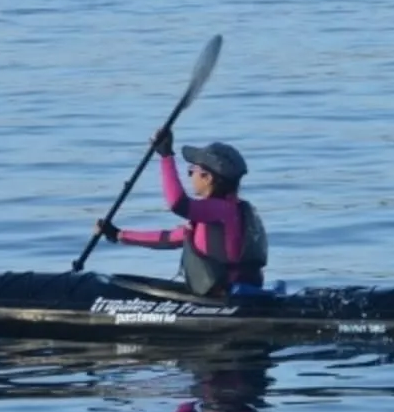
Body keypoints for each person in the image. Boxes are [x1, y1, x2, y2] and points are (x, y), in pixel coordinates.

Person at [94, 127, 268, 297]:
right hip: (230, 292)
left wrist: (166, 156)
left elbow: (177, 203)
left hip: (225, 296)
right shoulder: (224, 213)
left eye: (192, 171)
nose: (190, 177)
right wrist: (118, 234)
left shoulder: (220, 210)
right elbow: (168, 239)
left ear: (207, 178)